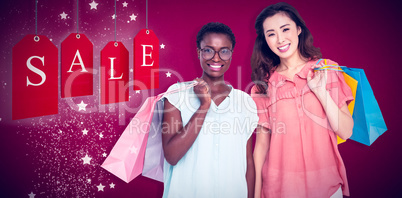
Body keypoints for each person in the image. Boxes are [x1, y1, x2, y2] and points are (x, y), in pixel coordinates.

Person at [250, 2, 354, 198]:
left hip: (327, 187)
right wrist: (255, 194)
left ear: (298, 29)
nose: (280, 39)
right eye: (271, 33)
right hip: (279, 189)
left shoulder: (326, 70)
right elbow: (261, 147)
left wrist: (321, 93)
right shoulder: (261, 87)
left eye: (285, 29)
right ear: (265, 40)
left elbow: (346, 130)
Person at [161, 22, 259, 198]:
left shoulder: (245, 102)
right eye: (208, 50)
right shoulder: (177, 95)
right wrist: (204, 106)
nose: (216, 58)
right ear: (198, 52)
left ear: (231, 55)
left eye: (224, 51)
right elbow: (172, 155)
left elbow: (248, 163)